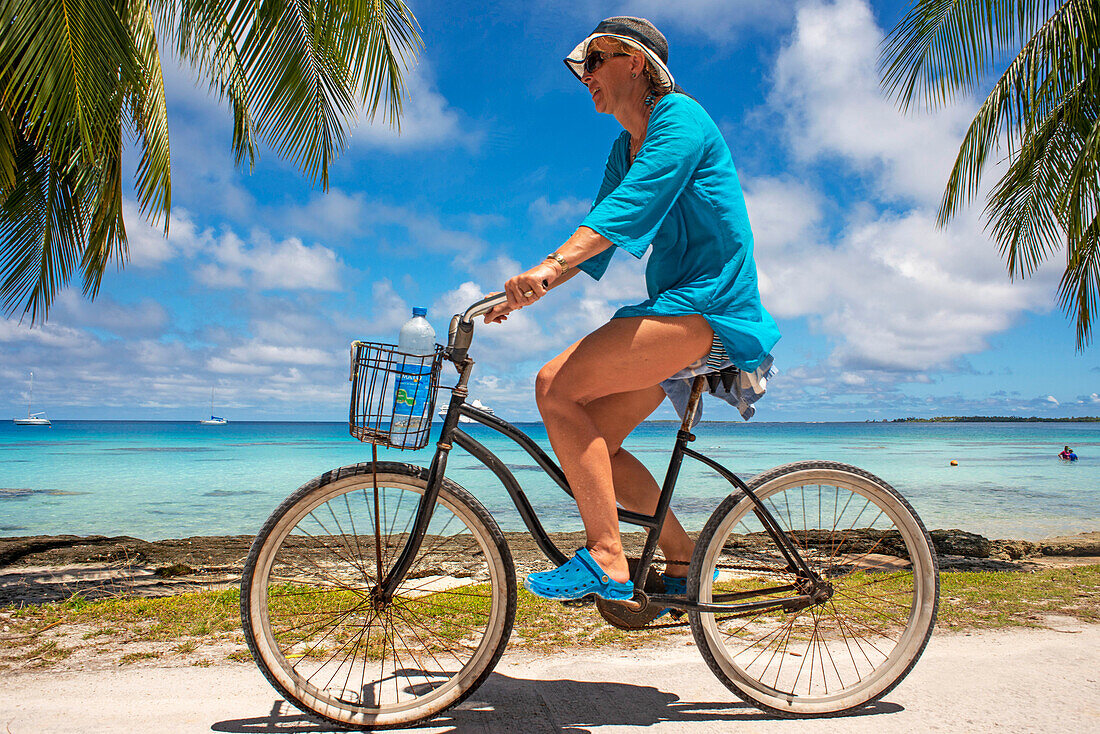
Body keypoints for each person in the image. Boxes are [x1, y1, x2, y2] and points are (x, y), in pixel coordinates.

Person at [485, 17, 780, 602]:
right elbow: (602, 229)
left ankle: (607, 556)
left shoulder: (681, 120)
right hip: (675, 308)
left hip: (710, 306)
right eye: (581, 68)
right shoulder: (625, 146)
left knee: (554, 387)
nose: (585, 76)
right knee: (598, 444)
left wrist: (547, 265)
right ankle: (685, 557)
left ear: (635, 61)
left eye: (594, 62)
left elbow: (632, 205)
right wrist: (524, 291)